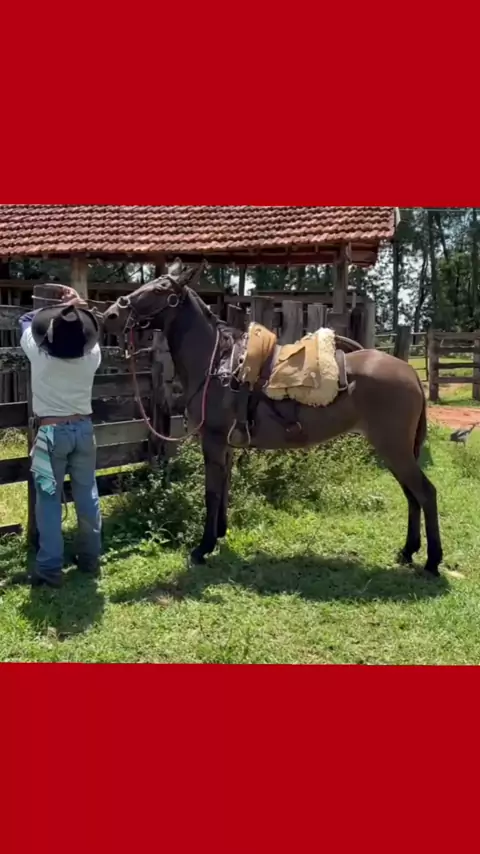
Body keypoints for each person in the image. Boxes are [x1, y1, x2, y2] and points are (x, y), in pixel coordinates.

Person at [19, 286, 103, 587]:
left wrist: (58, 308)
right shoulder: (92, 355)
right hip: (83, 429)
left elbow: (26, 319)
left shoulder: (39, 352)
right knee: (87, 494)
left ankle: (49, 568)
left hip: (49, 433)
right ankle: (90, 558)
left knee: (48, 501)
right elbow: (91, 328)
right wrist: (75, 305)